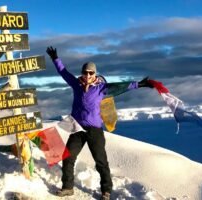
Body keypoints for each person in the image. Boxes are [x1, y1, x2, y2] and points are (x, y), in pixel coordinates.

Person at [46, 46, 153, 200]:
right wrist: (55, 58)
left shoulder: (102, 88)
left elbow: (122, 86)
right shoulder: (76, 85)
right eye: (85, 72)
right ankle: (68, 187)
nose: (88, 75)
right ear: (82, 73)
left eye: (91, 72)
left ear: (95, 73)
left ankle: (106, 191)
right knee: (68, 157)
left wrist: (140, 84)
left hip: (94, 130)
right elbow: (64, 72)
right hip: (77, 127)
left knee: (100, 161)